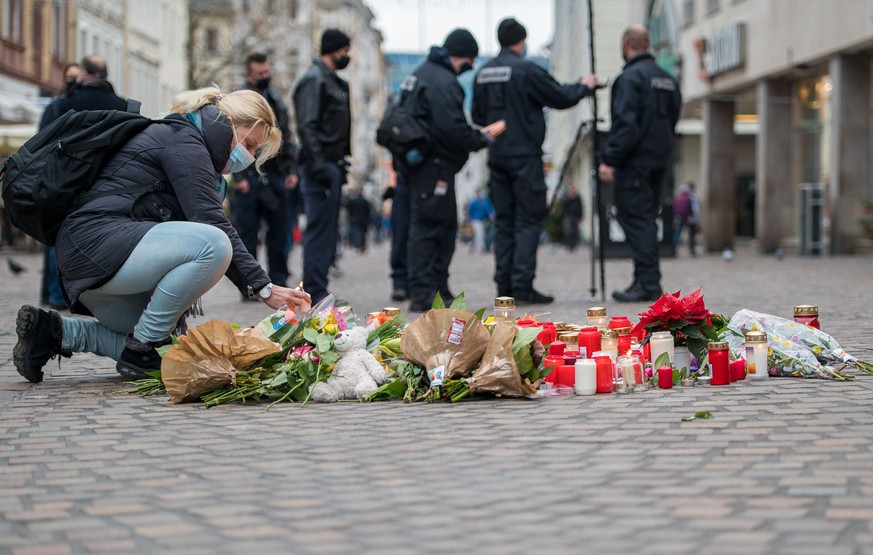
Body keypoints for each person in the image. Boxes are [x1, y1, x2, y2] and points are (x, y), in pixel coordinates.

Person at [12, 86, 311, 384]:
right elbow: (210, 222)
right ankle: (144, 346)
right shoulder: (185, 141)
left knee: (172, 351)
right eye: (250, 144)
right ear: (231, 121)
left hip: (96, 257)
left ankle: (53, 332)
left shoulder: (192, 144)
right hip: (97, 247)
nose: (248, 155)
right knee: (214, 244)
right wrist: (264, 288)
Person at [472, 18, 597, 305]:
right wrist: (584, 86)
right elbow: (560, 96)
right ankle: (522, 286)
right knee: (528, 220)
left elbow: (479, 116)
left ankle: (504, 285)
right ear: (521, 41)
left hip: (497, 156)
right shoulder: (526, 70)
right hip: (525, 156)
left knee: (504, 221)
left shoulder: (483, 73)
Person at [401, 28, 506, 312]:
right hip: (433, 165)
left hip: (421, 164)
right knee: (432, 227)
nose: (468, 68)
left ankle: (435, 288)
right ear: (460, 56)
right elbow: (451, 127)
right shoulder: (443, 82)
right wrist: (479, 139)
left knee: (438, 225)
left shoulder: (422, 73)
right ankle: (425, 292)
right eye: (469, 60)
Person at [598, 25, 682, 303]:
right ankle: (646, 280)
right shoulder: (668, 79)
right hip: (660, 160)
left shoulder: (630, 78)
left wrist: (610, 158)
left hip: (635, 162)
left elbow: (625, 125)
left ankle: (647, 283)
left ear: (626, 45)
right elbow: (672, 119)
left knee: (636, 220)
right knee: (646, 219)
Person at [39, 57, 117, 311]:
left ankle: (57, 294)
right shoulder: (122, 106)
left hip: (65, 180)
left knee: (59, 237)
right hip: (107, 183)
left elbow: (42, 142)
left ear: (84, 75)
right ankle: (93, 295)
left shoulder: (63, 105)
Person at [231, 52, 298, 293]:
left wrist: (290, 169)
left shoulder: (277, 101)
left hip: (275, 174)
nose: (265, 77)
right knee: (247, 233)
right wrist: (238, 176)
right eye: (260, 74)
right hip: (247, 175)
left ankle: (278, 279)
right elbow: (231, 135)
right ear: (249, 75)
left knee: (279, 232)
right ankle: (249, 284)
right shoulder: (239, 100)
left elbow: (285, 135)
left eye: (267, 73)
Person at [293, 29, 352, 304]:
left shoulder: (331, 81)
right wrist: (319, 164)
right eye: (344, 50)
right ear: (333, 49)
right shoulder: (314, 80)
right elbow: (307, 124)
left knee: (328, 231)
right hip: (321, 165)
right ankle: (314, 290)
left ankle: (320, 287)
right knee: (318, 230)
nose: (347, 56)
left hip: (332, 164)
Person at [672, 182, 701, 256]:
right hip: (690, 217)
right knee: (691, 234)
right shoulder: (692, 196)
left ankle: (674, 249)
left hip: (679, 217)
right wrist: (698, 220)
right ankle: (692, 250)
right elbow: (696, 209)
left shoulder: (680, 195)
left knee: (678, 233)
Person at [467, 189, 494, 253]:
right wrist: (469, 219)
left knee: (479, 233)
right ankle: (480, 247)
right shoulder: (473, 202)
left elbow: (487, 209)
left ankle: (475, 246)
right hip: (475, 219)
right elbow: (470, 211)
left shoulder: (481, 202)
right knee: (480, 233)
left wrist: (490, 214)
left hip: (481, 219)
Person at [344, 186, 370, 252]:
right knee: (362, 233)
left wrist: (350, 216)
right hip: (363, 219)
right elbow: (368, 211)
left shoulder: (353, 200)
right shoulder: (365, 201)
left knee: (357, 232)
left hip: (355, 219)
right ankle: (361, 245)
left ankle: (358, 245)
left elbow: (348, 208)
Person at [562, 186, 583, 251]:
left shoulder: (578, 197)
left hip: (575, 216)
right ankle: (568, 245)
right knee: (568, 231)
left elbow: (580, 207)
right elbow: (564, 205)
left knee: (575, 231)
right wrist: (570, 198)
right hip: (568, 216)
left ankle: (574, 245)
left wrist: (581, 216)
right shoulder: (566, 197)